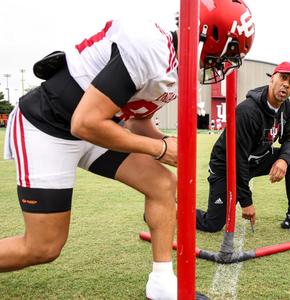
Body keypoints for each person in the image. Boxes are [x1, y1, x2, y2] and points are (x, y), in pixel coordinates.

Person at [0, 0, 255, 299]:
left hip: (91, 126)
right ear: (209, 36)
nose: (223, 64)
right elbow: (85, 123)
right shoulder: (152, 47)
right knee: (43, 247)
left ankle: (161, 285)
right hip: (48, 125)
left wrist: (169, 145)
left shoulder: (174, 67)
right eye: (227, 54)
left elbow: (136, 123)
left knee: (162, 183)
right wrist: (160, 149)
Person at [196, 61, 290, 234]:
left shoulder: (286, 107)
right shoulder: (247, 111)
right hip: (227, 166)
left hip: (256, 159)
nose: (286, 84)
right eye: (283, 78)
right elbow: (237, 159)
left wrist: (284, 160)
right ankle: (175, 209)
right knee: (212, 224)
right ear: (272, 79)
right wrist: (246, 202)